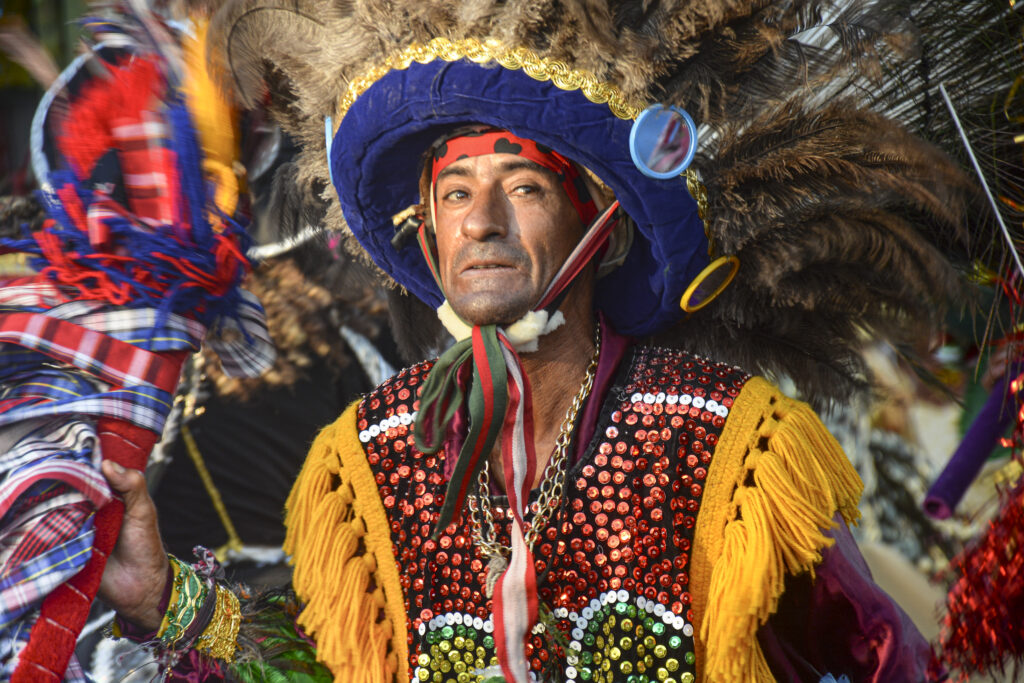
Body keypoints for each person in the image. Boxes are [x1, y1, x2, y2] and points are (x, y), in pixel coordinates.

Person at [5, 1, 980, 682]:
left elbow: (880, 659)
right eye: (455, 193)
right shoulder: (365, 464)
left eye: (521, 186)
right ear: (424, 232)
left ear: (600, 220)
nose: (481, 222)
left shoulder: (730, 446)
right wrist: (166, 597)